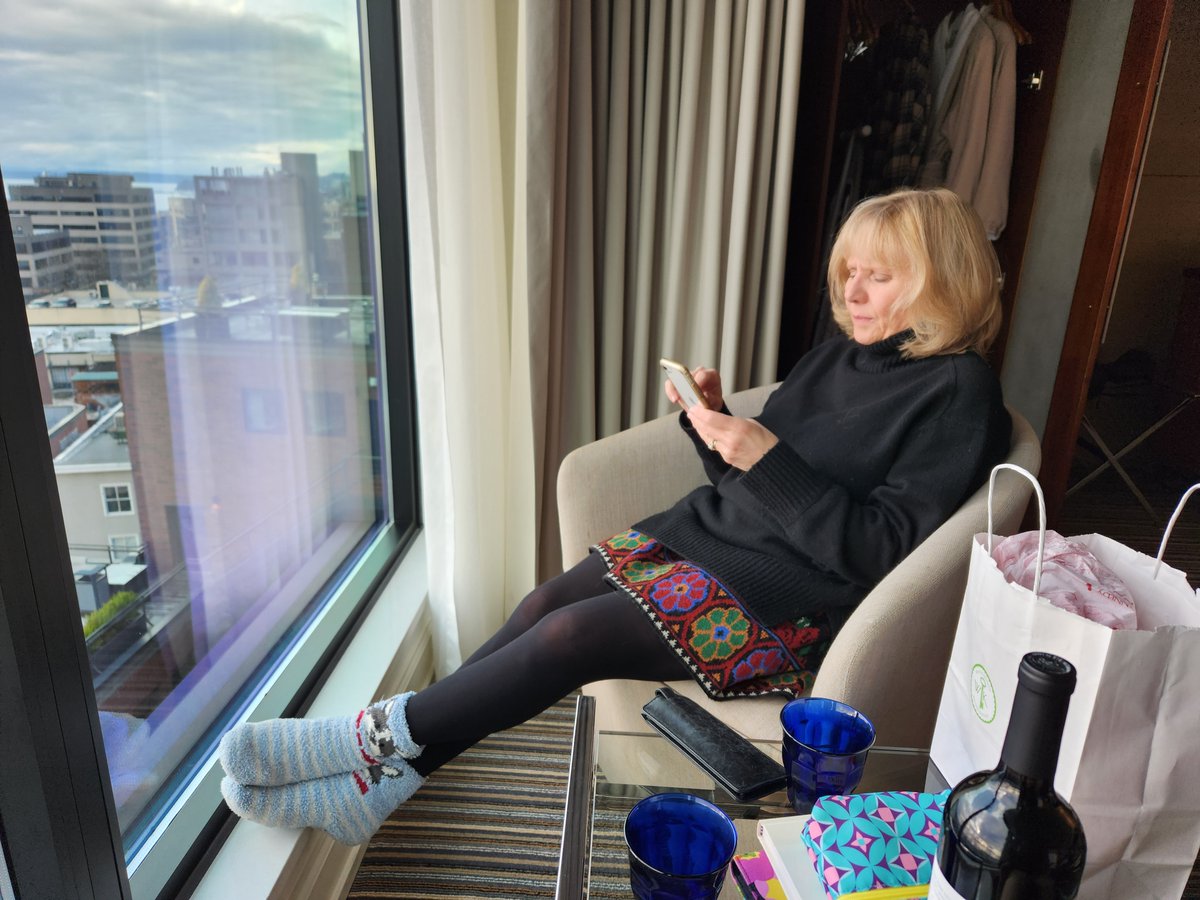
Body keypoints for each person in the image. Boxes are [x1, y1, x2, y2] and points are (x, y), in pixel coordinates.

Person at [219, 187, 1012, 844]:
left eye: (879, 277)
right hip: (711, 534)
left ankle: (364, 741)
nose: (853, 293)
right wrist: (715, 431)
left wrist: (763, 455)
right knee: (542, 604)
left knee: (566, 637)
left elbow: (883, 551)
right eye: (850, 273)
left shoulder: (960, 393)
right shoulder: (840, 355)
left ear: (941, 281)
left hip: (790, 601)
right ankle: (384, 782)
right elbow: (762, 482)